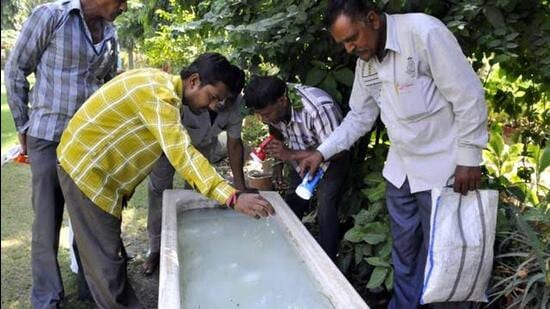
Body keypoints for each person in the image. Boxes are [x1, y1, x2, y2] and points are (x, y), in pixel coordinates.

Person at [299, 1, 488, 308]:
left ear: (372, 19)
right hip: (401, 172)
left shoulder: (424, 33)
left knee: (446, 257)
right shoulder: (367, 61)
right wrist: (322, 152)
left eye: (352, 38)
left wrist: (470, 157)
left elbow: (468, 96)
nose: (349, 49)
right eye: (343, 43)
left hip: (445, 170)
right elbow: (360, 115)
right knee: (405, 255)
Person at [56, 53, 275, 308]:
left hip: (100, 174)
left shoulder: (159, 85)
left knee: (103, 251)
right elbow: (182, 153)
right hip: (87, 172)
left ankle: (96, 291)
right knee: (107, 263)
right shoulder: (159, 95)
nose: (213, 105)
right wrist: (231, 196)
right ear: (194, 81)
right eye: (213, 96)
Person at [4, 0, 127, 307]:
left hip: (88, 143)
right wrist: (22, 125)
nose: (125, 7)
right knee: (47, 221)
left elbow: (108, 85)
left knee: (89, 219)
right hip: (48, 136)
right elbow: (16, 68)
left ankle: (92, 285)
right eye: (122, 0)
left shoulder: (111, 34)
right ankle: (47, 298)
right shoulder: (51, 16)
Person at [142, 68, 248, 275]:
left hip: (203, 148)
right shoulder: (190, 94)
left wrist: (240, 188)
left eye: (229, 99)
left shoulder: (237, 105)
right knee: (159, 194)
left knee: (196, 194)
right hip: (168, 147)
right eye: (218, 97)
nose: (221, 103)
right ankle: (155, 249)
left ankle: (189, 246)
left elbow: (234, 145)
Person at [244, 75, 350, 261]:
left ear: (282, 101)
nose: (263, 120)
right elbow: (276, 131)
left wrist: (291, 154)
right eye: (259, 114)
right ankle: (281, 248)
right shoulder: (274, 107)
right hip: (298, 157)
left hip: (333, 160)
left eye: (266, 114)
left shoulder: (318, 108)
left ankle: (327, 262)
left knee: (326, 207)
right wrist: (279, 161)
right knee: (293, 200)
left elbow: (340, 150)